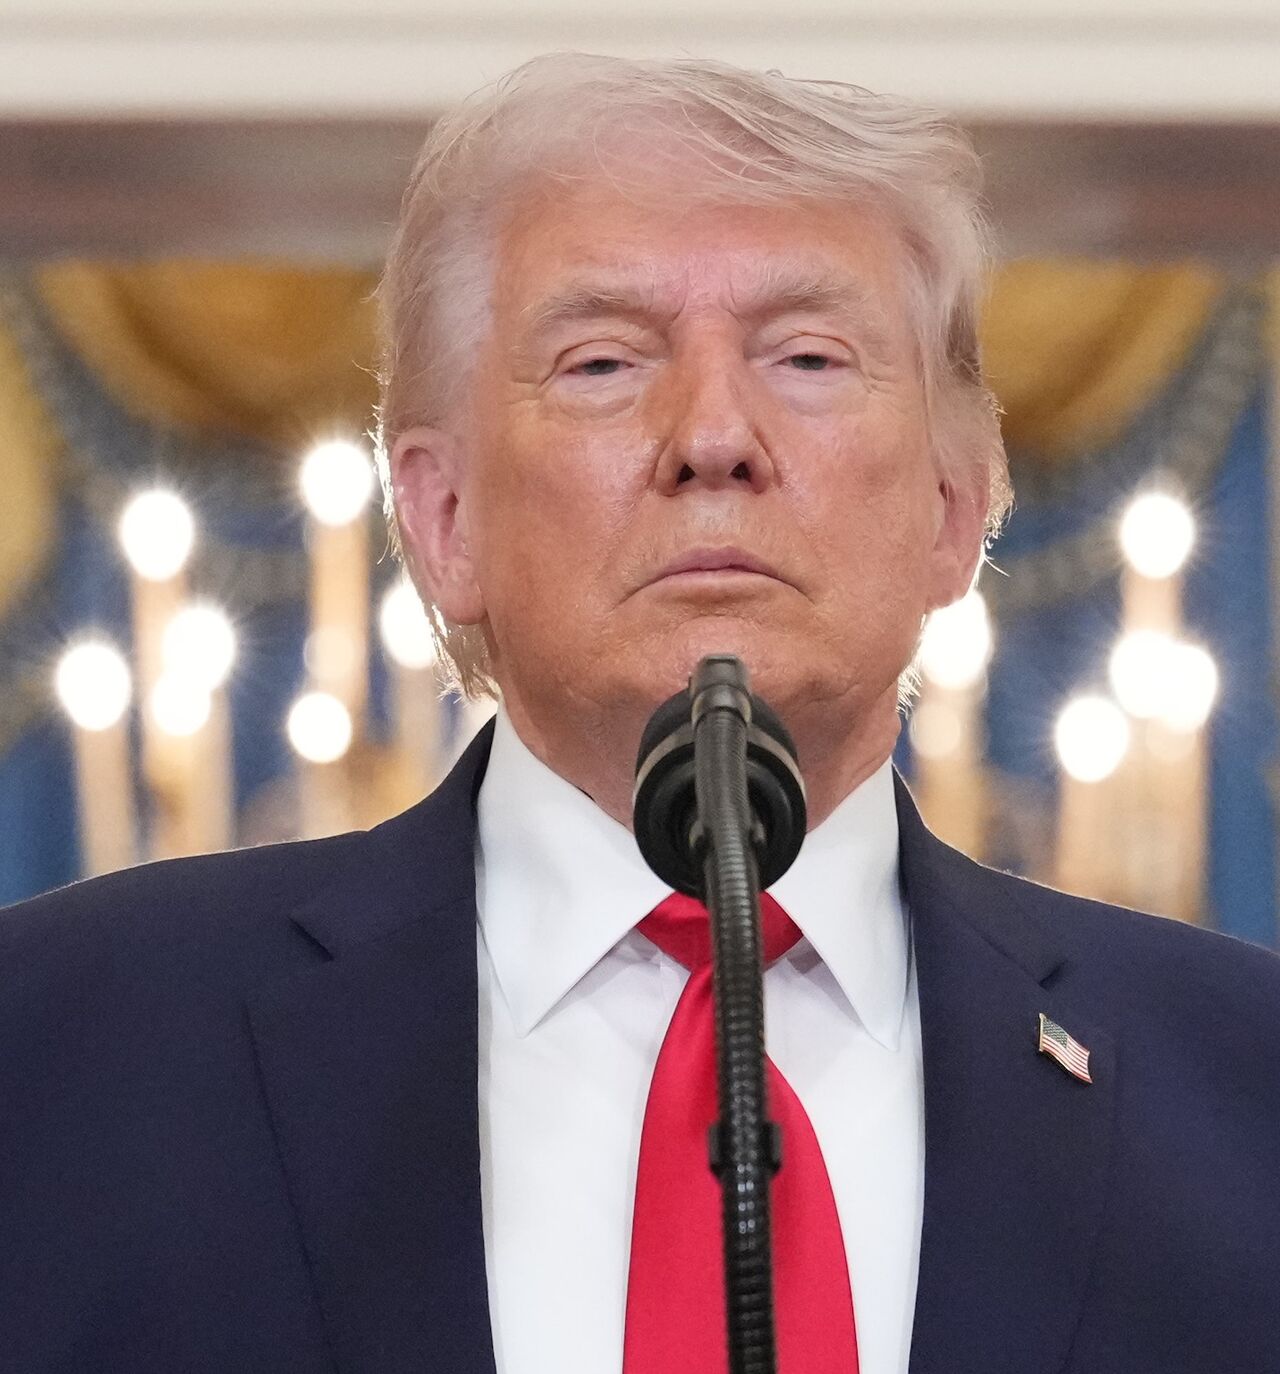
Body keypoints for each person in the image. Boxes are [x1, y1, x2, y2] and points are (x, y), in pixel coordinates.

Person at [1, 51, 1277, 1374]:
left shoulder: (1248, 1091)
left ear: (956, 510)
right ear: (440, 518)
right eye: (604, 360)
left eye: (809, 355)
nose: (713, 430)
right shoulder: (59, 1052)